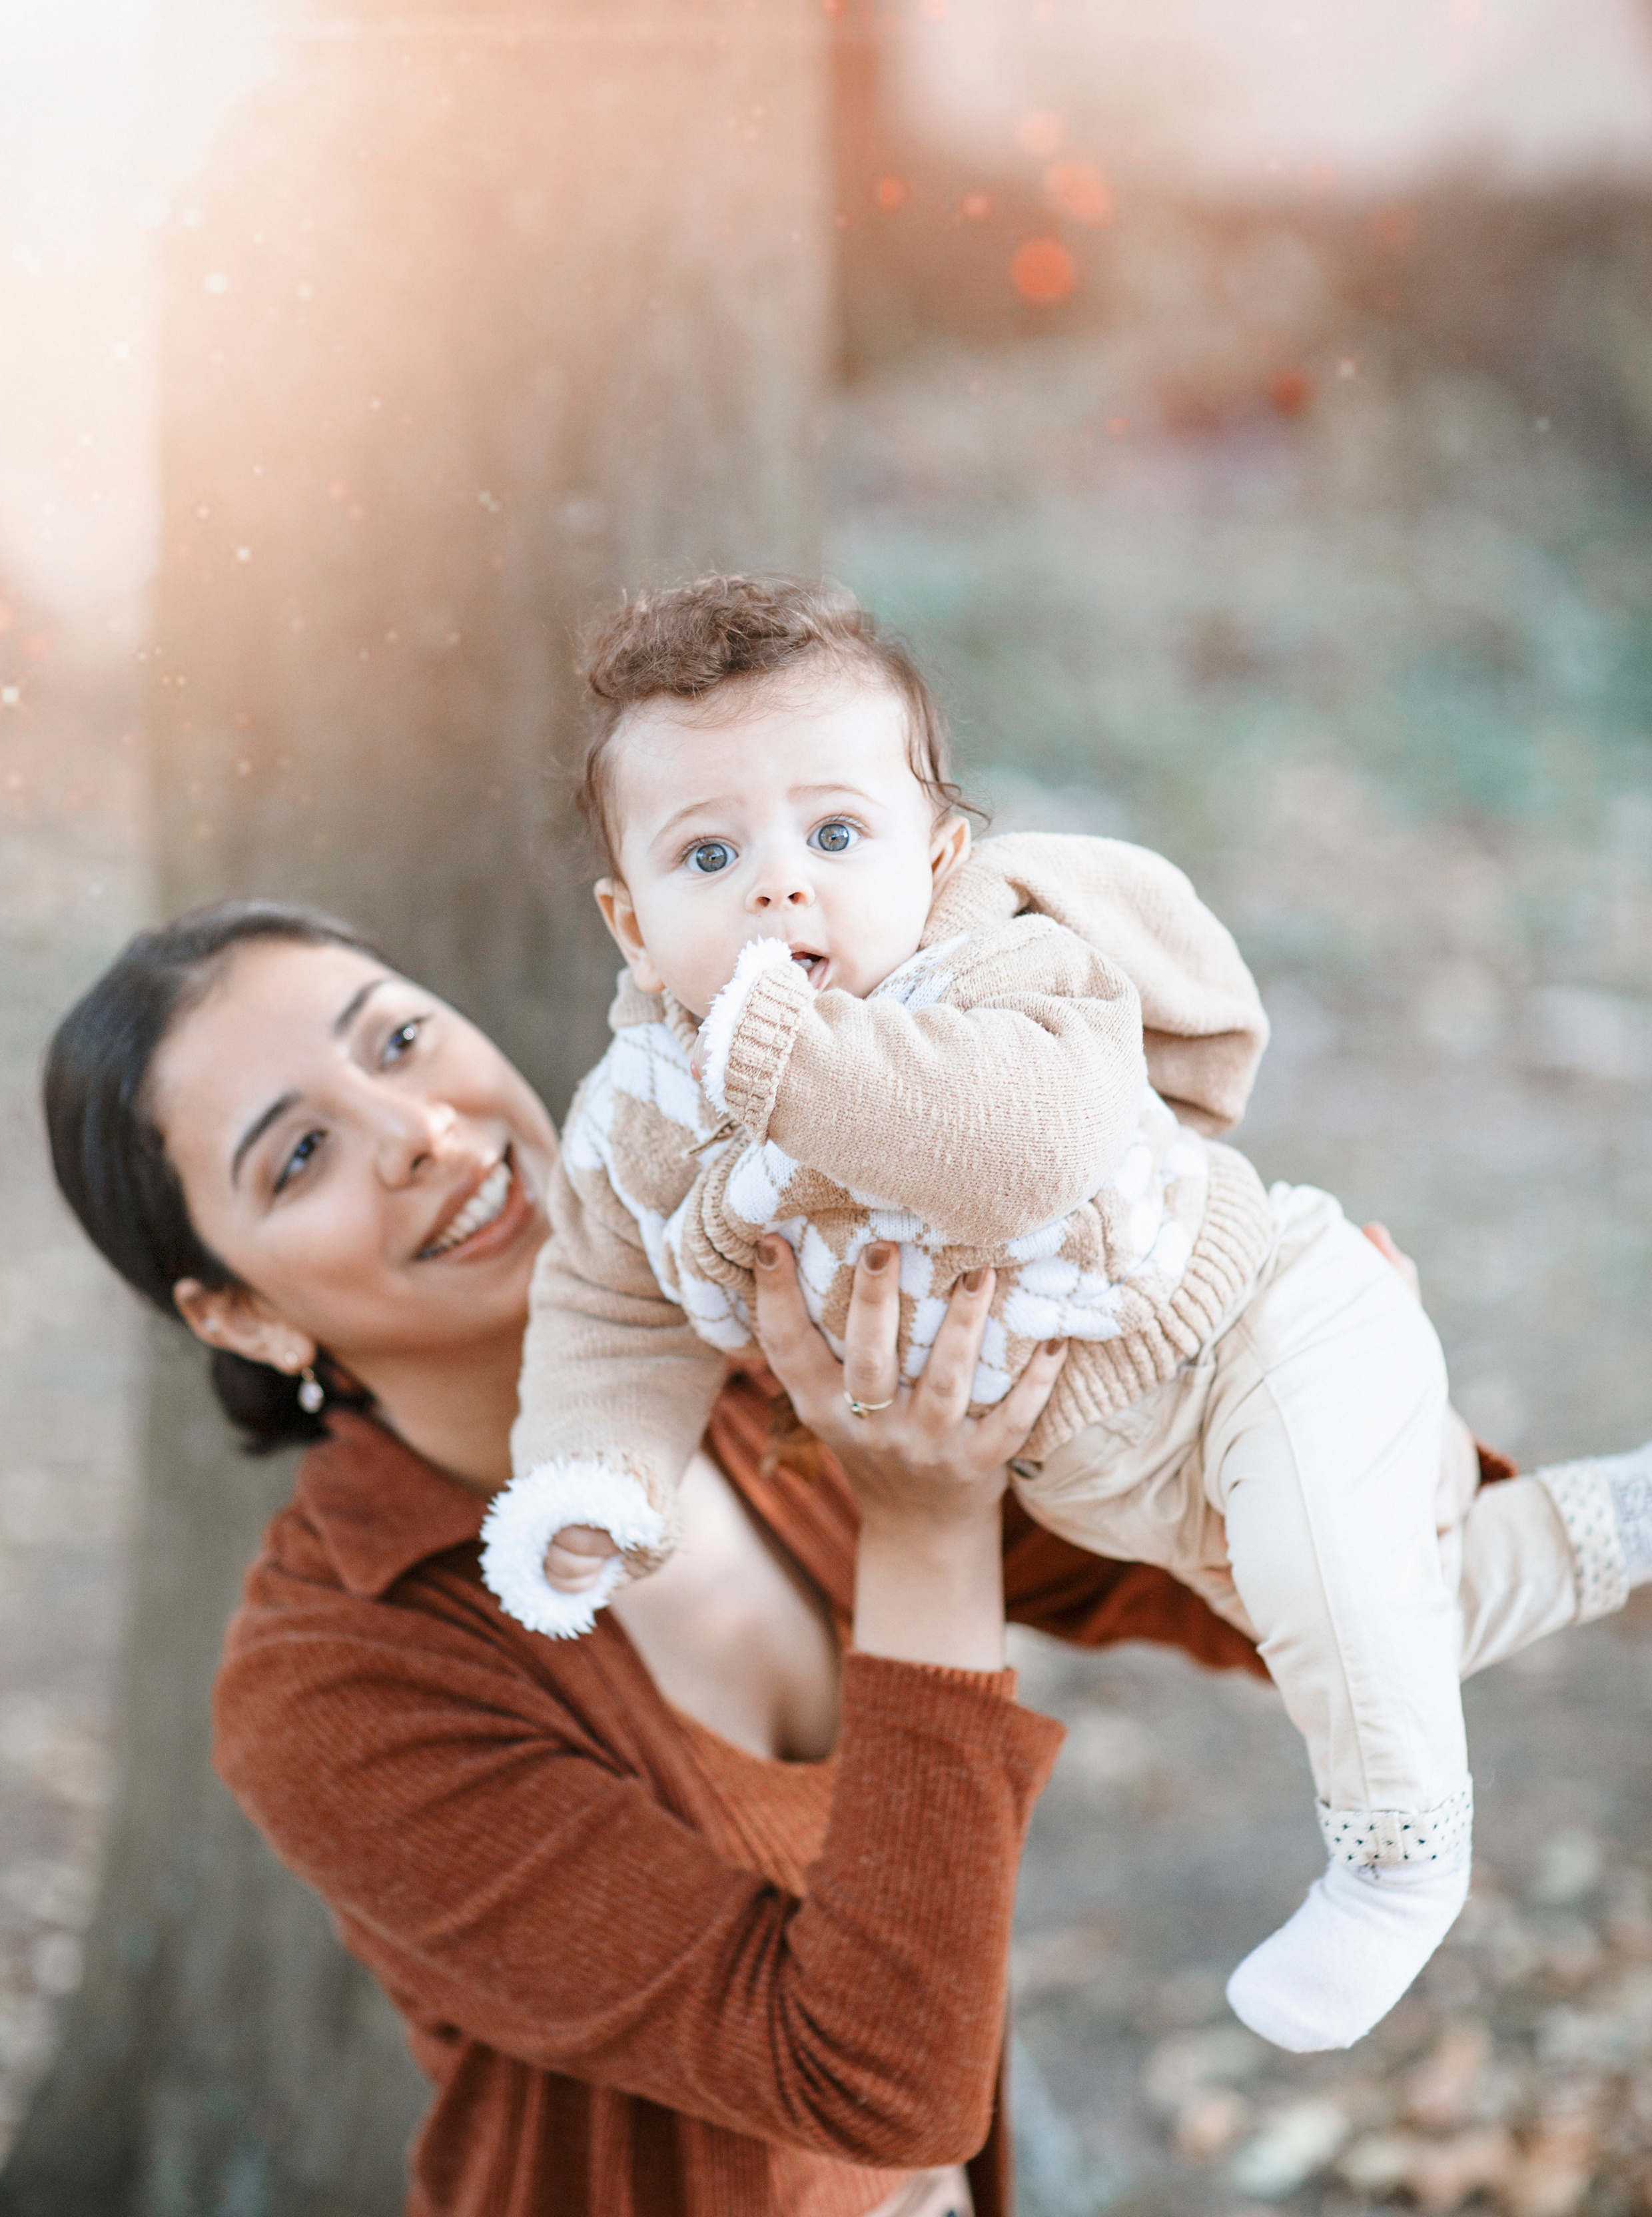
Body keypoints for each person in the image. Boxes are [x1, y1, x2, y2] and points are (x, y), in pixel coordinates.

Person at [490, 573, 1652, 2056]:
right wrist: (594, 1479)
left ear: (938, 852)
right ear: (630, 922)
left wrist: (793, 1060)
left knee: (1335, 1590)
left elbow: (1028, 1146)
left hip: (1256, 1324)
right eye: (708, 852)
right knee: (1385, 1622)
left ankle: (1395, 1859)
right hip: (1109, 1479)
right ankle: (1609, 1525)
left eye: (835, 833)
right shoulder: (635, 1118)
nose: (779, 884)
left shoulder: (998, 965)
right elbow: (605, 1306)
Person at [45, 896, 1311, 2217]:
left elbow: (1174, 1561)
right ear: (241, 1315)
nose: (419, 1132)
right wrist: (923, 1531)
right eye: (300, 1151)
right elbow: (873, 2077)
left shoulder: (762, 1323)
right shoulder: (331, 1690)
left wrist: (1335, 1441)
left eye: (402, 1039)